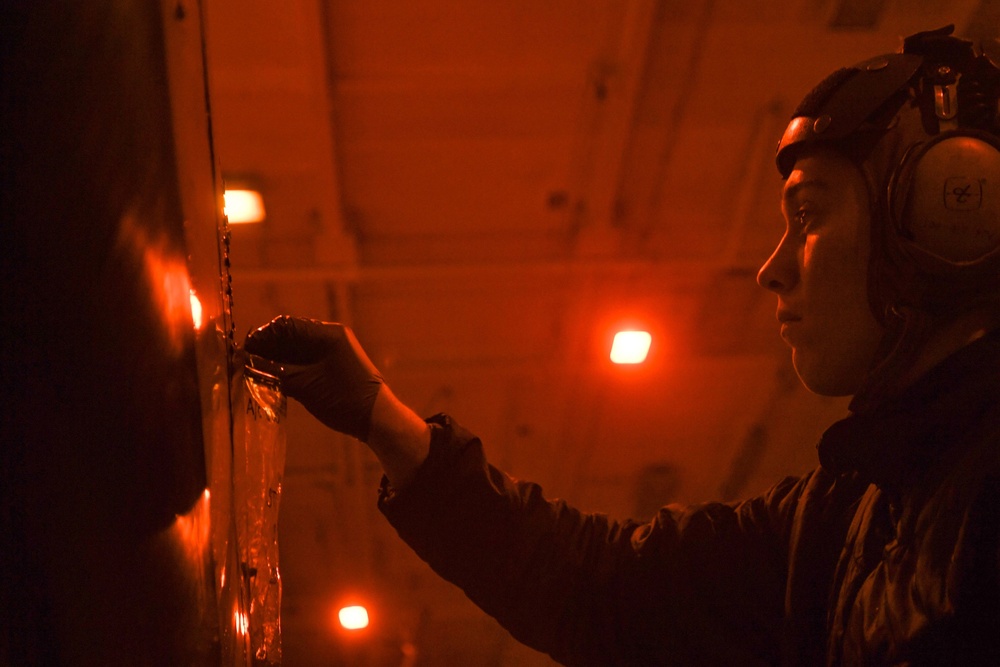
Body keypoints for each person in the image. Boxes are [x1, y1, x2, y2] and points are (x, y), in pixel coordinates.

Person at [245, 26, 1000, 665]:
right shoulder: (845, 515)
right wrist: (387, 423)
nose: (772, 270)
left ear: (947, 216)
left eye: (808, 215)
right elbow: (603, 587)